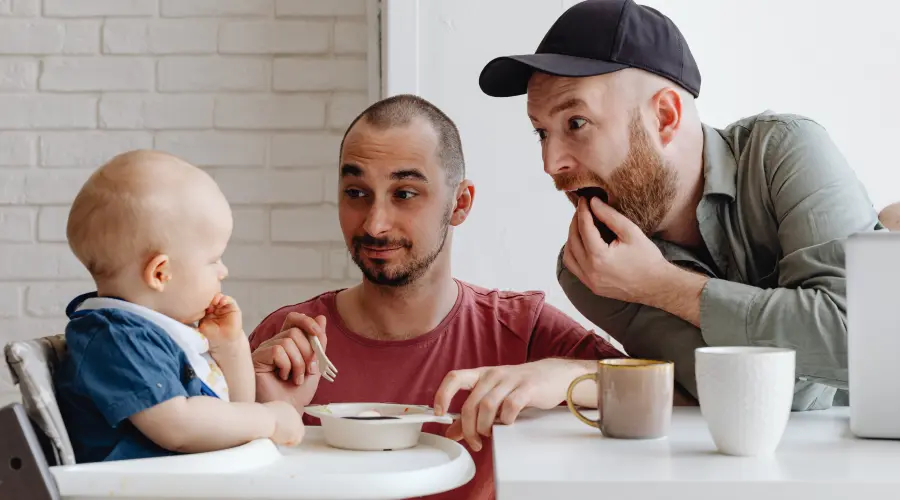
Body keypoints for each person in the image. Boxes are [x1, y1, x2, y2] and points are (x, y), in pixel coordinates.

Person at [477, 0, 883, 411]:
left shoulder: (783, 151)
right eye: (541, 133)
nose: (550, 164)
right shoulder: (592, 270)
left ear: (665, 117)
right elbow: (774, 394)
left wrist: (660, 286)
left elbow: (867, 343)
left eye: (576, 123)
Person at [248, 94, 640, 500]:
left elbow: (669, 396)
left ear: (461, 203)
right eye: (356, 192)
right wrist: (260, 410)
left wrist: (563, 376)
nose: (375, 223)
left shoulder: (522, 330)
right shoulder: (284, 341)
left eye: (404, 193)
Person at [55, 150, 305, 463]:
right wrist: (269, 420)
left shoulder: (153, 334)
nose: (223, 271)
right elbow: (179, 428)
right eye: (213, 260)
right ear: (160, 273)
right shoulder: (117, 338)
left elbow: (233, 414)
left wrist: (230, 347)